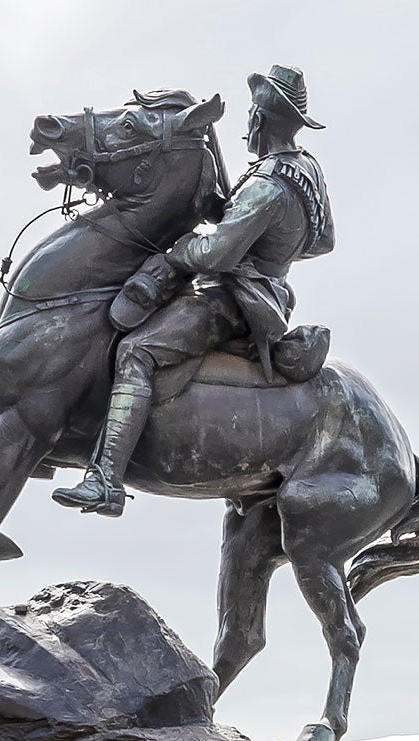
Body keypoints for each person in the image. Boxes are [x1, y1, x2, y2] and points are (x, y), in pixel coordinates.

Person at [51, 64, 336, 517]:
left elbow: (217, 255)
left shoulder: (266, 184)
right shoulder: (304, 172)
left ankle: (106, 479)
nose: (246, 126)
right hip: (266, 286)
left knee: (138, 352)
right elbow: (322, 241)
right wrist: (258, 236)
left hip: (231, 299)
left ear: (259, 120)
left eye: (250, 118)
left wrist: (186, 249)